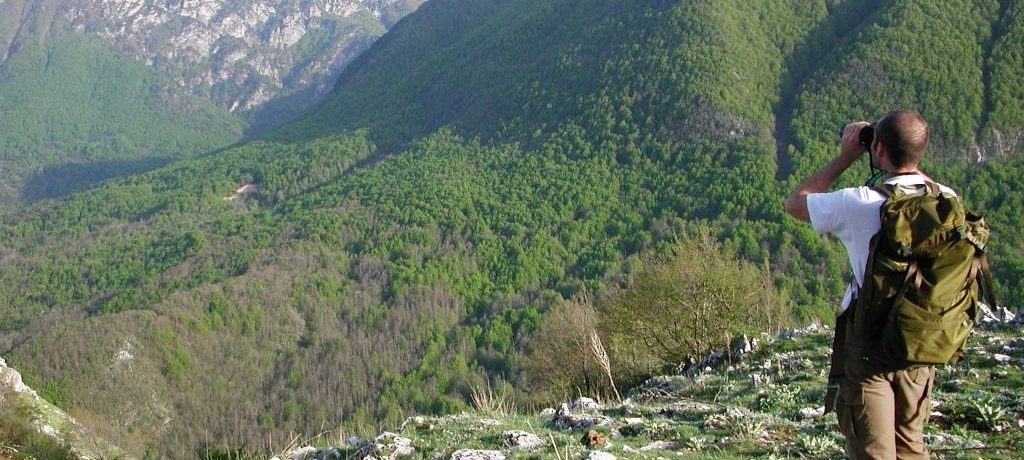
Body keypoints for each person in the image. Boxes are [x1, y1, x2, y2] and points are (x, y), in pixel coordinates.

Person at [784, 110, 952, 459]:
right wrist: (903, 155)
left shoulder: (859, 203)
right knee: (910, 444)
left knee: (873, 451)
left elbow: (796, 202)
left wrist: (846, 157)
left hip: (869, 343)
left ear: (878, 149)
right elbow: (919, 176)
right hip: (920, 341)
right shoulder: (948, 202)